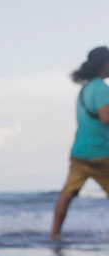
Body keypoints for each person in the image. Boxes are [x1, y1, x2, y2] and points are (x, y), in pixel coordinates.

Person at [52, 46, 109, 240]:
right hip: (102, 153)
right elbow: (106, 117)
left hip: (79, 152)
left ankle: (54, 235)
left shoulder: (85, 89)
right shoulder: (102, 89)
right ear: (104, 64)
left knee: (67, 194)